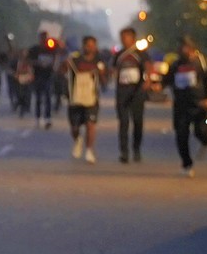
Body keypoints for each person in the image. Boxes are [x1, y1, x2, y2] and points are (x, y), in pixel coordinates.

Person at [168, 37, 207, 176]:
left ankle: (206, 141)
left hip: (200, 105)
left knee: (201, 131)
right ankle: (187, 164)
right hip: (181, 106)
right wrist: (156, 86)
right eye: (180, 47)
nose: (181, 50)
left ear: (192, 49)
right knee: (181, 135)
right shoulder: (175, 65)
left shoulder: (203, 63)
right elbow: (166, 81)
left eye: (184, 47)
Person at [60, 34, 107, 162]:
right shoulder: (75, 60)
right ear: (83, 46)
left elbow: (104, 80)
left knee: (90, 124)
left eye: (93, 45)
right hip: (75, 98)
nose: (91, 48)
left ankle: (89, 150)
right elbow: (61, 71)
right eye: (88, 45)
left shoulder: (99, 61)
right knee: (74, 127)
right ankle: (78, 140)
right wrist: (64, 65)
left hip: (92, 99)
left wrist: (102, 74)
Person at [111, 33, 151, 163]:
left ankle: (136, 148)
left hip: (137, 91)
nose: (123, 40)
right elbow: (114, 69)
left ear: (132, 38)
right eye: (122, 38)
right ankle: (124, 152)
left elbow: (148, 67)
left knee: (137, 121)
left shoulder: (140, 54)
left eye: (126, 38)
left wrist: (147, 80)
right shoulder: (119, 55)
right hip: (122, 91)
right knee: (123, 122)